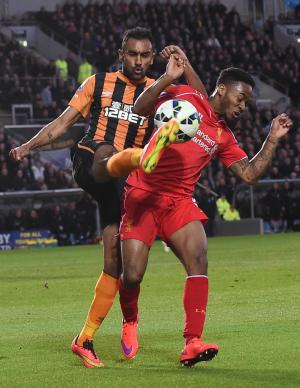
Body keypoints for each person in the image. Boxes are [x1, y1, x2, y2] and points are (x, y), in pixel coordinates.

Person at [9, 34, 203, 368]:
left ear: (153, 57)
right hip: (91, 160)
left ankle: (88, 337)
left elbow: (201, 103)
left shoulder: (159, 92)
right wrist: (29, 146)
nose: (138, 62)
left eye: (144, 56)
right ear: (121, 54)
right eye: (132, 55)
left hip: (123, 186)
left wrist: (183, 68)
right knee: (107, 152)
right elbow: (62, 123)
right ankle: (139, 157)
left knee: (119, 261)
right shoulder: (98, 83)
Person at [116, 52, 292, 367]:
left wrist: (272, 140)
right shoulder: (185, 94)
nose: (242, 106)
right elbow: (140, 108)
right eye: (241, 98)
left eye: (247, 104)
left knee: (199, 259)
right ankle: (130, 320)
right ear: (222, 89)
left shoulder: (223, 135)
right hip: (142, 192)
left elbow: (249, 174)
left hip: (179, 201)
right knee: (132, 274)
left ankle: (192, 342)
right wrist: (167, 78)